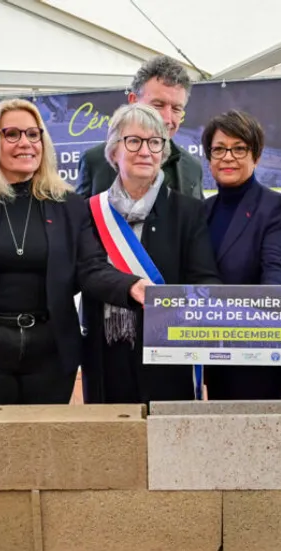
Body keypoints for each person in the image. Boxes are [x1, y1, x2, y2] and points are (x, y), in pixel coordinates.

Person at [0, 99, 145, 418]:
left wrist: (130, 287)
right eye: (13, 134)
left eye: (33, 134)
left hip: (51, 356)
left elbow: (91, 268)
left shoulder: (69, 204)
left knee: (44, 457)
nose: (26, 143)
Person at [81, 103, 222, 404]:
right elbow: (87, 271)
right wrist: (130, 287)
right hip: (106, 353)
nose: (145, 151)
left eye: (155, 142)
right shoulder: (91, 211)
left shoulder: (188, 211)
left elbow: (204, 278)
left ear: (163, 152)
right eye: (134, 141)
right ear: (113, 151)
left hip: (168, 356)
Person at [200, 110, 281, 400]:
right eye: (219, 149)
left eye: (239, 148)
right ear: (209, 157)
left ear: (257, 156)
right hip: (210, 356)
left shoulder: (275, 207)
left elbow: (277, 273)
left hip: (257, 357)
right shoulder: (201, 210)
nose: (228, 157)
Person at [77, 55, 204, 200]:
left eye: (176, 109)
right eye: (158, 105)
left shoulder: (192, 168)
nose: (167, 119)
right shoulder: (94, 162)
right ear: (133, 102)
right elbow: (80, 220)